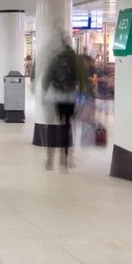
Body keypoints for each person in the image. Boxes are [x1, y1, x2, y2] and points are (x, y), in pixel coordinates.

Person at [42, 38, 92, 171]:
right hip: (70, 97)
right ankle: (65, 158)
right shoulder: (76, 59)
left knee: (56, 125)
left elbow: (47, 78)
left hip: (57, 97)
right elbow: (83, 78)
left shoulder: (55, 58)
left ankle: (50, 160)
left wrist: (44, 92)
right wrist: (85, 94)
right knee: (67, 126)